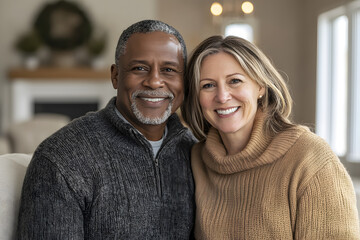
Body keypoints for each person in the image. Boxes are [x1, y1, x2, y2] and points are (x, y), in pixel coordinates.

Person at [17, 20, 197, 239]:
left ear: (184, 81)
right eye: (139, 68)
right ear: (115, 76)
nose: (154, 82)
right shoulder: (60, 158)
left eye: (169, 70)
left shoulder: (196, 152)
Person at [182, 35, 360, 239]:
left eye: (235, 81)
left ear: (260, 87)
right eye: (208, 85)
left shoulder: (310, 158)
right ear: (196, 97)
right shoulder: (196, 159)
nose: (222, 96)